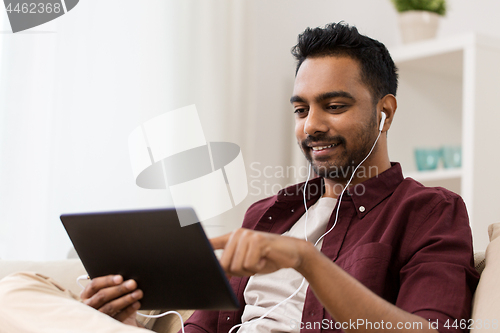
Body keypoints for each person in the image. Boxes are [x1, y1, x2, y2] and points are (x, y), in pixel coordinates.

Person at [0, 22, 479, 333]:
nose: (311, 125)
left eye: (334, 106)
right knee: (16, 288)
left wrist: (309, 261)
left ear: (385, 112)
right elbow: (204, 329)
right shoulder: (271, 214)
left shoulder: (430, 211)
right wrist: (136, 319)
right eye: (300, 109)